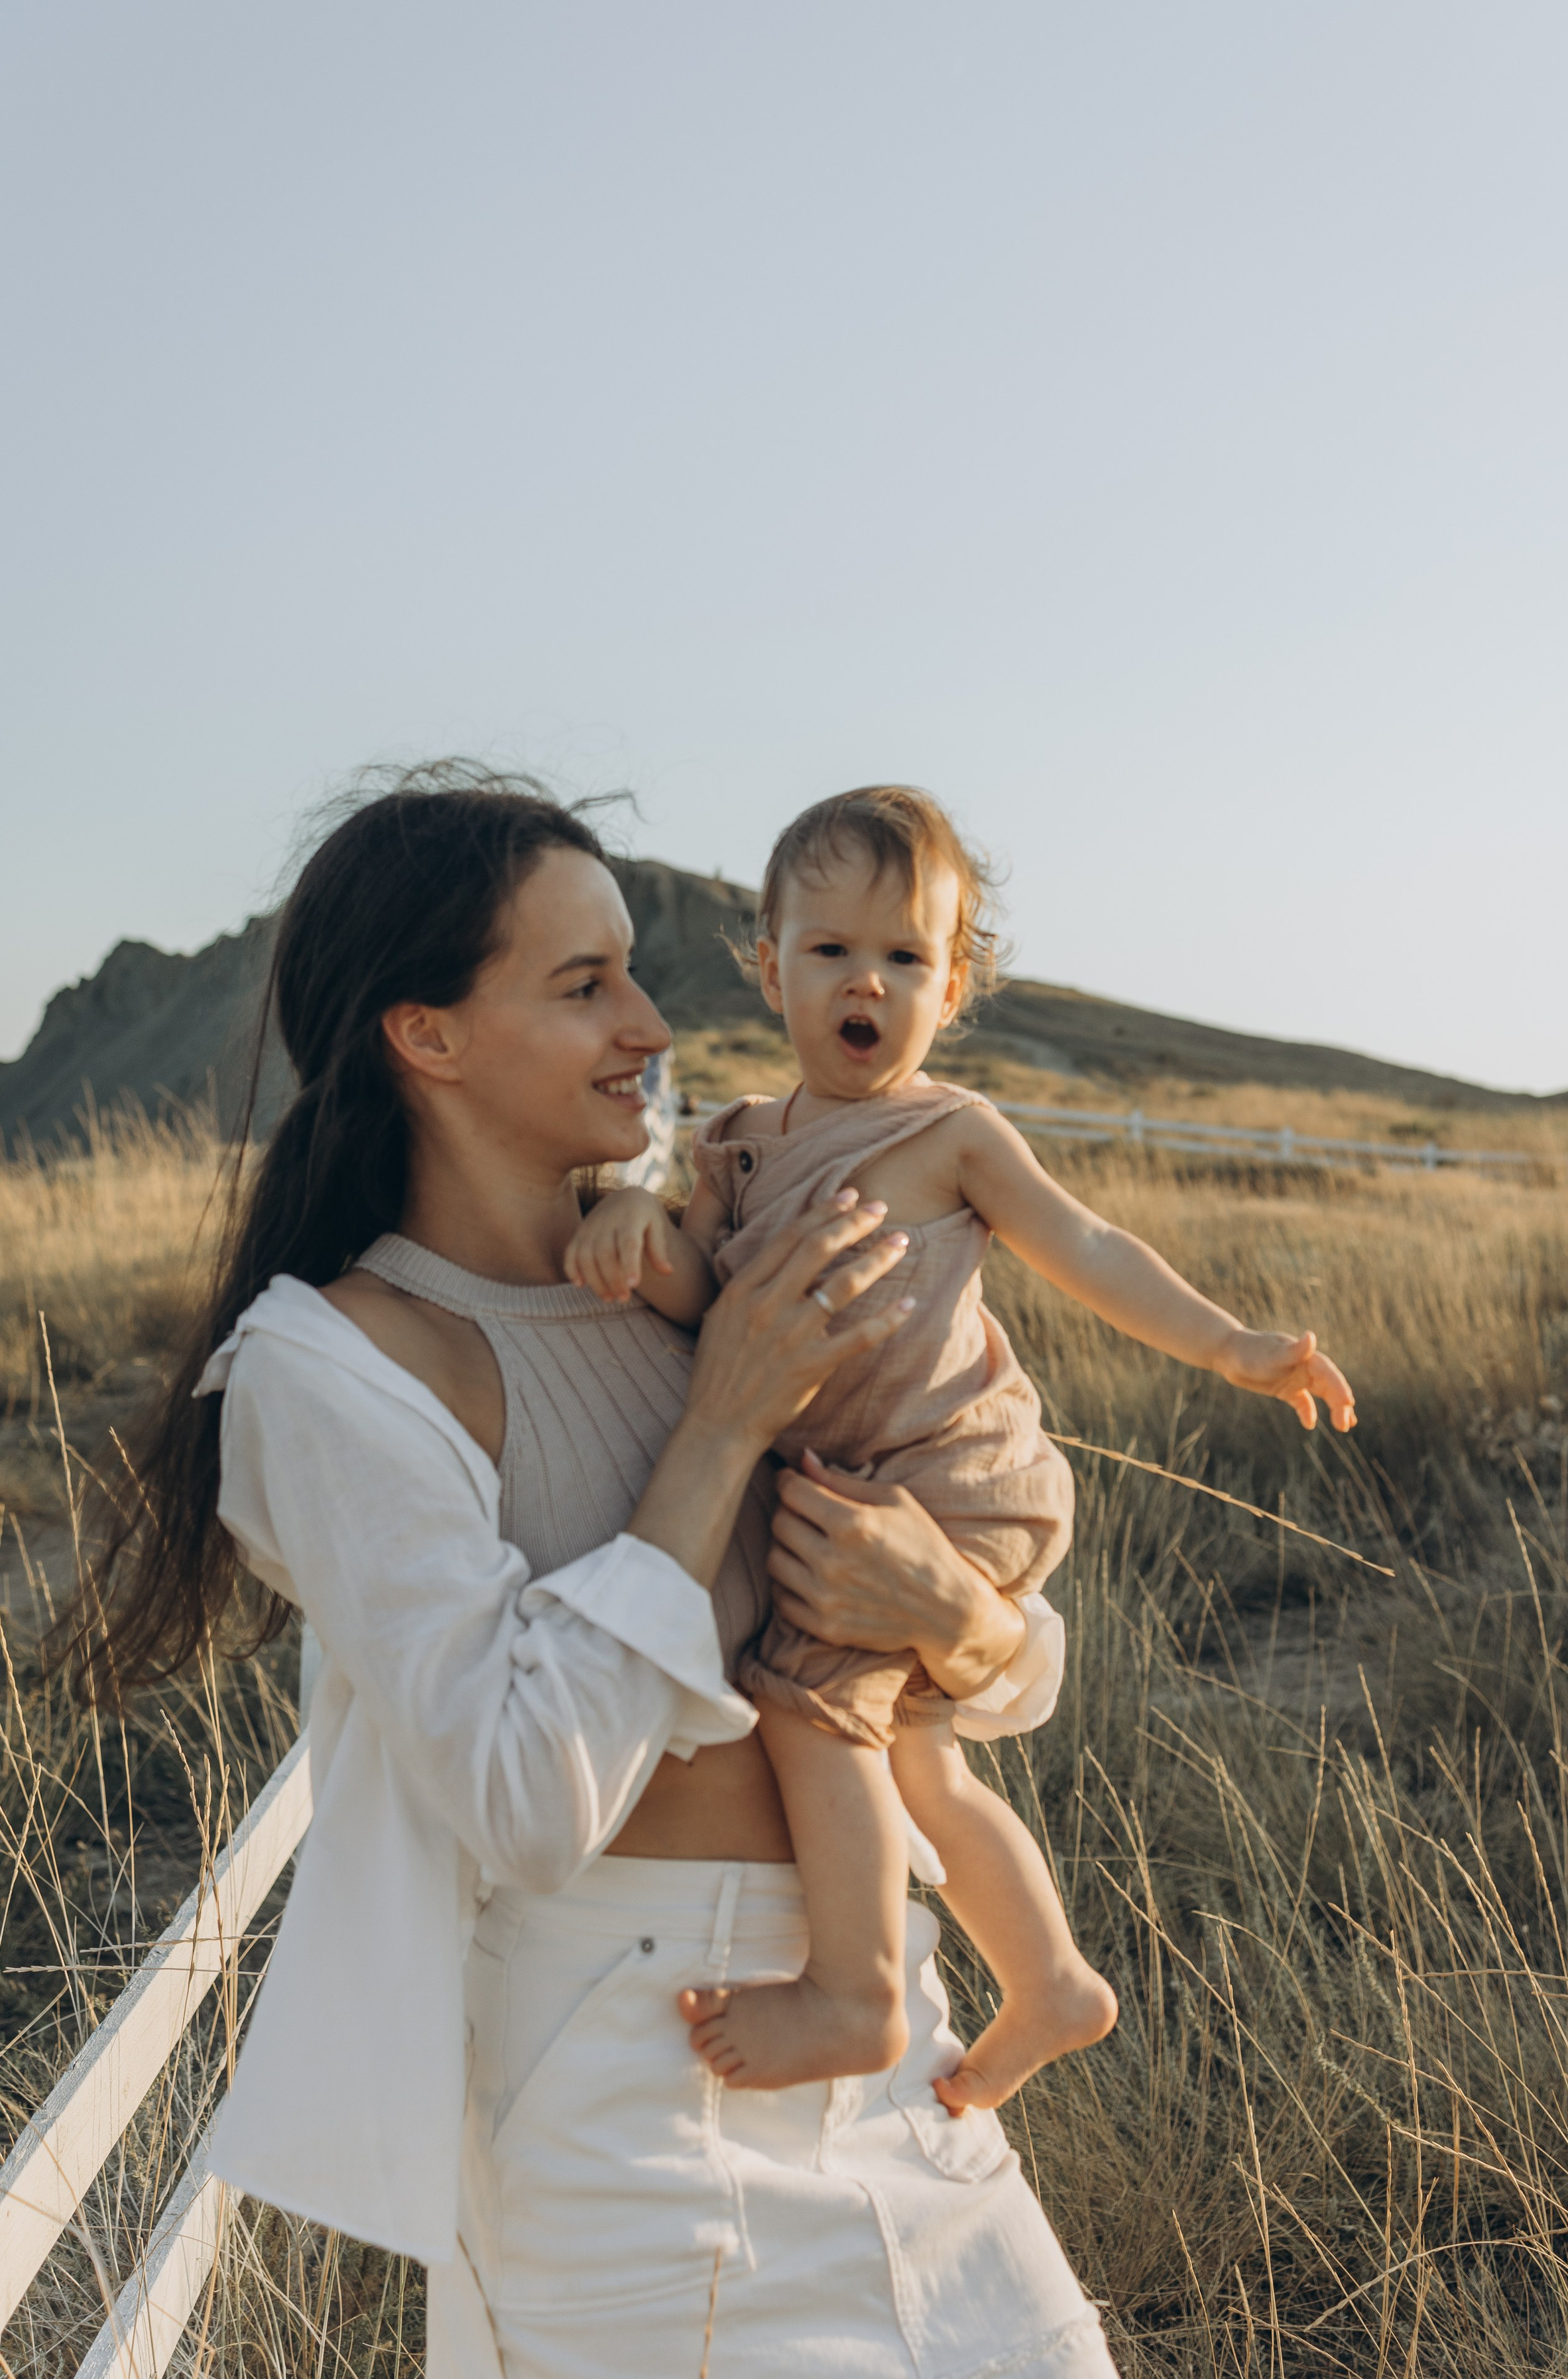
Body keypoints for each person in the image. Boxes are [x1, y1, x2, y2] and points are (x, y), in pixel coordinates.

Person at [66, 769, 1116, 2379]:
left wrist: (961, 1615)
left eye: (632, 968)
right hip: (633, 2082)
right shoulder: (335, 1369)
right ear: (428, 1035)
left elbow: (990, 1661)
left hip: (883, 2035)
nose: (649, 1019)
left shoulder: (696, 1271)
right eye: (582, 986)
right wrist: (715, 1434)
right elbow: (519, 1793)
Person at [565, 783, 1358, 2116]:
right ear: (768, 968)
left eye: (905, 956)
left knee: (809, 1708)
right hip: (865, 1483)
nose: (864, 979)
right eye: (829, 950)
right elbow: (709, 1296)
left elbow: (1090, 1248)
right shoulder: (740, 1148)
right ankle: (1047, 1980)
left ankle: (856, 1991)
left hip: (946, 1482)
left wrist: (1232, 1348)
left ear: (954, 985)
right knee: (919, 1761)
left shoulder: (948, 1135)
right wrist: (636, 1235)